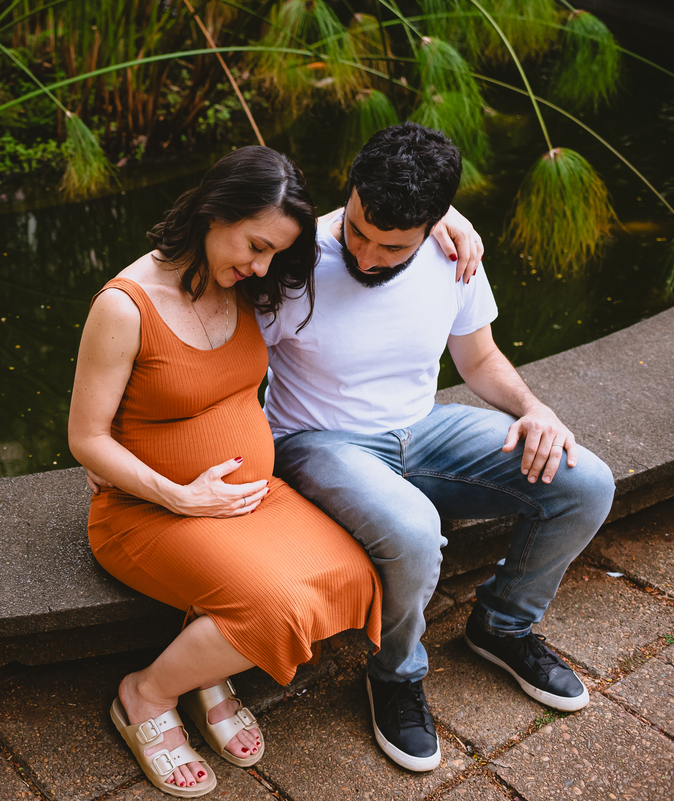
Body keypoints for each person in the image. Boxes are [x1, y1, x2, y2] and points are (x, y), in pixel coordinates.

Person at [68, 145, 480, 797]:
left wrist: (447, 216)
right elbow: (85, 437)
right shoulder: (125, 306)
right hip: (149, 510)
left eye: (274, 253)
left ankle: (206, 667)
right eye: (256, 246)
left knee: (352, 572)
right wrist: (177, 493)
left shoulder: (246, 282)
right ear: (215, 211)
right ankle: (145, 694)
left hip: (252, 498)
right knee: (277, 607)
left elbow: (370, 202)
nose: (262, 266)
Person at [259, 122, 616, 773]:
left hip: (423, 429)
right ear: (351, 192)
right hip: (317, 441)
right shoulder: (293, 261)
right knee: (416, 530)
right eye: (359, 230)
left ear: (431, 225)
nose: (368, 255)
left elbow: (478, 360)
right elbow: (227, 365)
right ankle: (395, 673)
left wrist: (536, 411)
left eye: (392, 246)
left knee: (586, 481)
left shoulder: (454, 252)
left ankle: (502, 625)